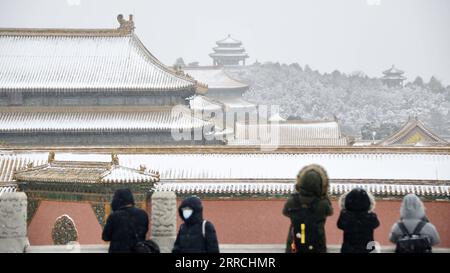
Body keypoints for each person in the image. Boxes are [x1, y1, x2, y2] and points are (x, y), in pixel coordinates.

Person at [282, 164, 333, 253]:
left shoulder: (293, 200)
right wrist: (324, 195)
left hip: (295, 245)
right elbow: (330, 212)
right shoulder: (322, 203)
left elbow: (285, 212)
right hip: (317, 245)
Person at [102, 188, 149, 253]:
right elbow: (144, 232)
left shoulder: (114, 216)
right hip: (138, 250)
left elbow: (105, 237)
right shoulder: (143, 214)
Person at [337, 188, 380, 253]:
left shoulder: (345, 216)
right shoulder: (371, 217)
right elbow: (376, 224)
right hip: (367, 249)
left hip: (349, 249)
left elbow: (340, 225)